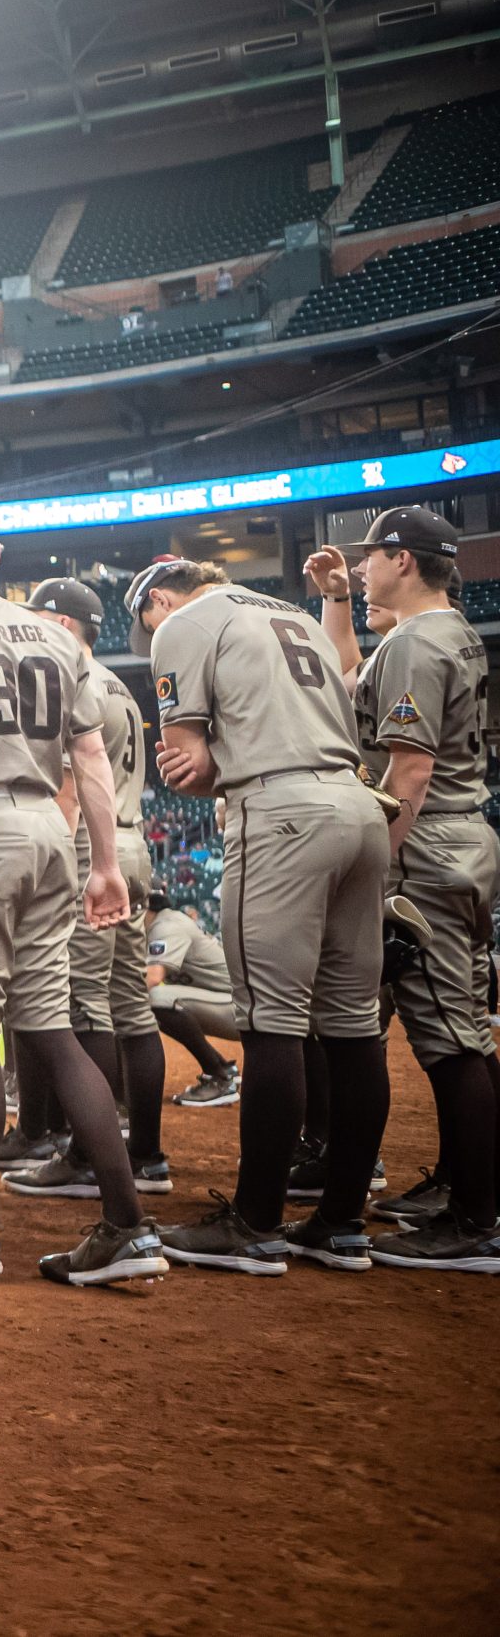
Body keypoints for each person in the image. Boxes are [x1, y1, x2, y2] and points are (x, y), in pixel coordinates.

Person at [0, 507, 163, 1292]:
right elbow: (90, 754)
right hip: (51, 828)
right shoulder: (53, 635)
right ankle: (127, 1223)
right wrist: (105, 864)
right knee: (50, 1026)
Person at [132, 558, 390, 1276]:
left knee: (273, 1020)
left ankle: (256, 1223)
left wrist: (211, 759)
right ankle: (341, 1223)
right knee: (351, 1022)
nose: (151, 630)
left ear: (160, 598)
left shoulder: (183, 624)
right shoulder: (297, 616)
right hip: (358, 806)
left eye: (147, 618)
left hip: (279, 812)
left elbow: (186, 761)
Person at [309, 510, 500, 1267]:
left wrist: (377, 865)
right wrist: (335, 603)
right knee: (466, 1026)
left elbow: (409, 770)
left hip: (426, 844)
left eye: (367, 560)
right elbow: (356, 683)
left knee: (450, 1038)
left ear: (402, 559)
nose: (360, 568)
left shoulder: (420, 641)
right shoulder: (442, 629)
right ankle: (464, 1182)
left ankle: (478, 1219)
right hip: (461, 837)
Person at [27, 578, 174, 1194]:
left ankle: (92, 1156)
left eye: (36, 619)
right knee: (131, 1007)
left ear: (62, 626)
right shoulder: (112, 680)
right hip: (132, 845)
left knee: (85, 1005)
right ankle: (145, 1154)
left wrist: (49, 865)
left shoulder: (69, 679)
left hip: (93, 848)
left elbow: (67, 789)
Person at [147, 893, 242, 1104]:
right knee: (159, 998)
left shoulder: (167, 925)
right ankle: (224, 1068)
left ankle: (218, 1078)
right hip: (230, 1003)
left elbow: (153, 978)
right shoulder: (162, 922)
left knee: (157, 998)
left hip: (241, 1008)